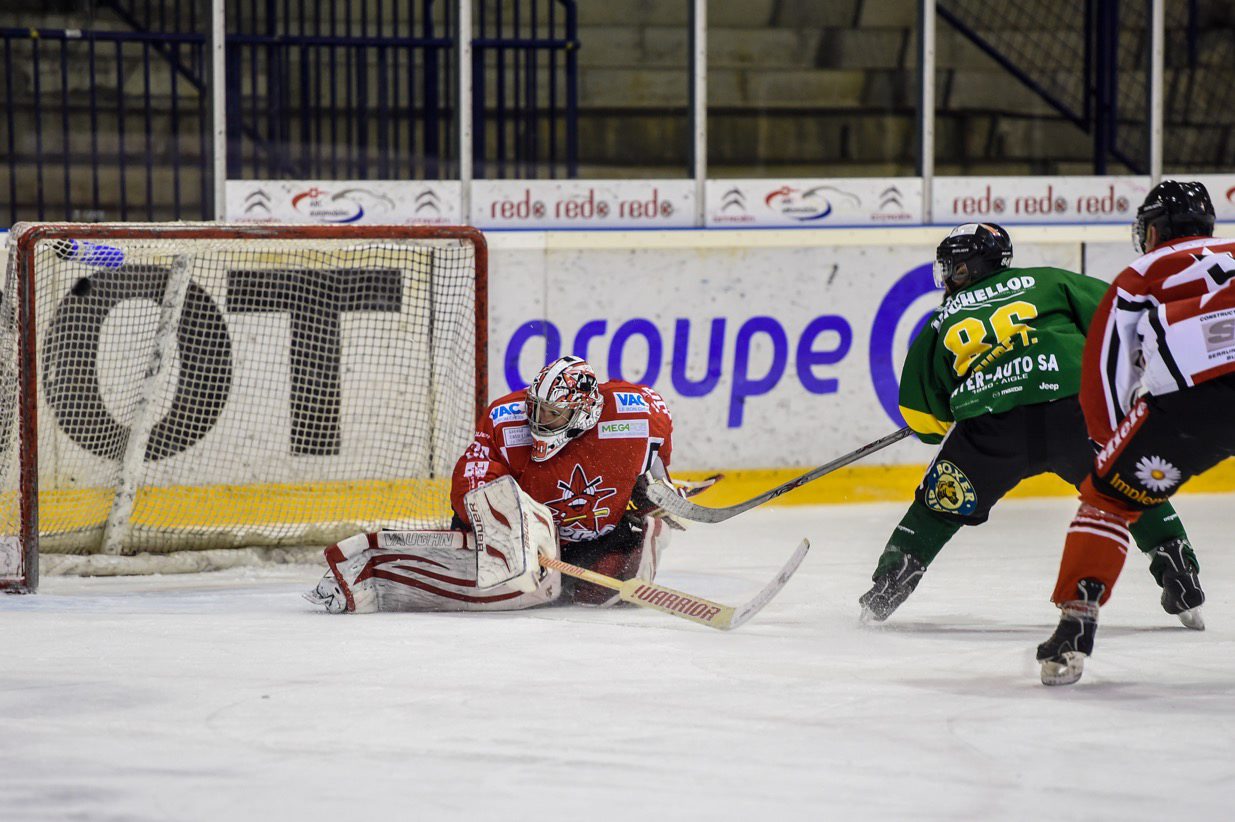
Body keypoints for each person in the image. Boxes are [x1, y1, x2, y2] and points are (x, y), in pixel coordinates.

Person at [860, 222, 1204, 628]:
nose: (948, 277)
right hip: (1075, 413)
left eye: (953, 268)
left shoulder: (942, 319)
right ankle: (1180, 574)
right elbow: (1115, 317)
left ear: (968, 269)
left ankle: (886, 589)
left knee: (938, 506)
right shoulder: (1050, 281)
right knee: (1127, 485)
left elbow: (922, 416)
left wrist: (952, 417)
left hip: (992, 430)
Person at [1037, 180, 1235, 685]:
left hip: (1194, 406)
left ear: (1152, 230)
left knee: (1107, 500)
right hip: (1197, 398)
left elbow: (1106, 377)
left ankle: (1075, 627)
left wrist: (1110, 453)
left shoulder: (1139, 275)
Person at [305, 355, 678, 613]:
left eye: (551, 414)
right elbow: (471, 479)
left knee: (626, 561)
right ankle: (376, 572)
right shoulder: (505, 419)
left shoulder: (638, 413)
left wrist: (654, 483)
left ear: (582, 414)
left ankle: (592, 576)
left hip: (594, 542)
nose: (536, 419)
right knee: (516, 579)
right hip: (529, 546)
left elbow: (660, 445)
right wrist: (503, 530)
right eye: (535, 407)